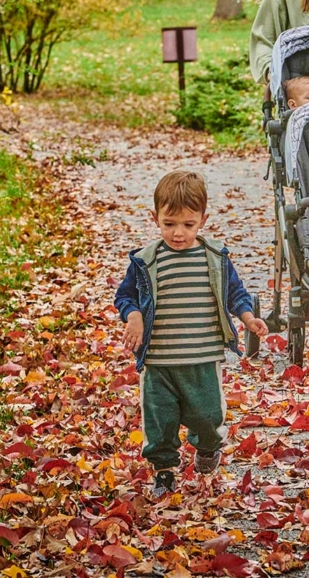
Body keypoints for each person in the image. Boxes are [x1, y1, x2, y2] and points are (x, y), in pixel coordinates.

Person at [114, 170, 268, 499]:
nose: (179, 233)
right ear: (155, 218)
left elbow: (235, 293)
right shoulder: (146, 260)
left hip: (201, 358)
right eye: (169, 224)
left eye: (188, 224)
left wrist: (248, 317)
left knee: (208, 416)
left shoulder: (214, 258)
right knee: (160, 422)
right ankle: (164, 472)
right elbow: (124, 297)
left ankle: (208, 448)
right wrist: (135, 315)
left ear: (203, 220)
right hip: (158, 361)